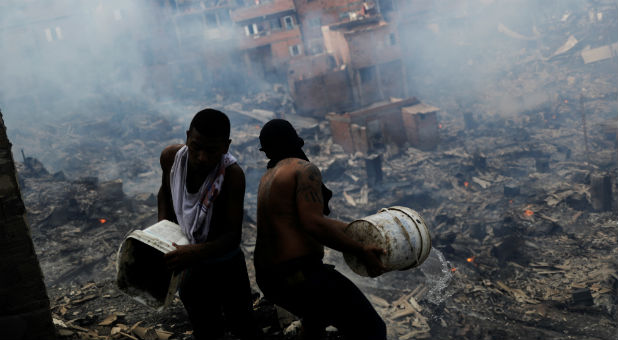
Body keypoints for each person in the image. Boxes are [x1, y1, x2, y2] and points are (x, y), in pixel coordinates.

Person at [254, 119, 388, 340]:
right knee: (371, 329)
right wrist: (360, 250)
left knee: (314, 320)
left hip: (271, 279)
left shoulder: (268, 177)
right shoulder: (304, 169)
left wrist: (356, 231)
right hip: (299, 276)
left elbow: (303, 221)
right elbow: (313, 223)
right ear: (295, 140)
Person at [157, 108, 262, 340]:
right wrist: (162, 233)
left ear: (226, 146)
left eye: (212, 150)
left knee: (243, 325)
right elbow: (164, 192)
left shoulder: (232, 176)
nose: (202, 157)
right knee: (205, 326)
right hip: (189, 266)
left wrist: (193, 252)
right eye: (196, 147)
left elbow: (232, 237)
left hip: (225, 266)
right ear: (187, 137)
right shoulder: (171, 158)